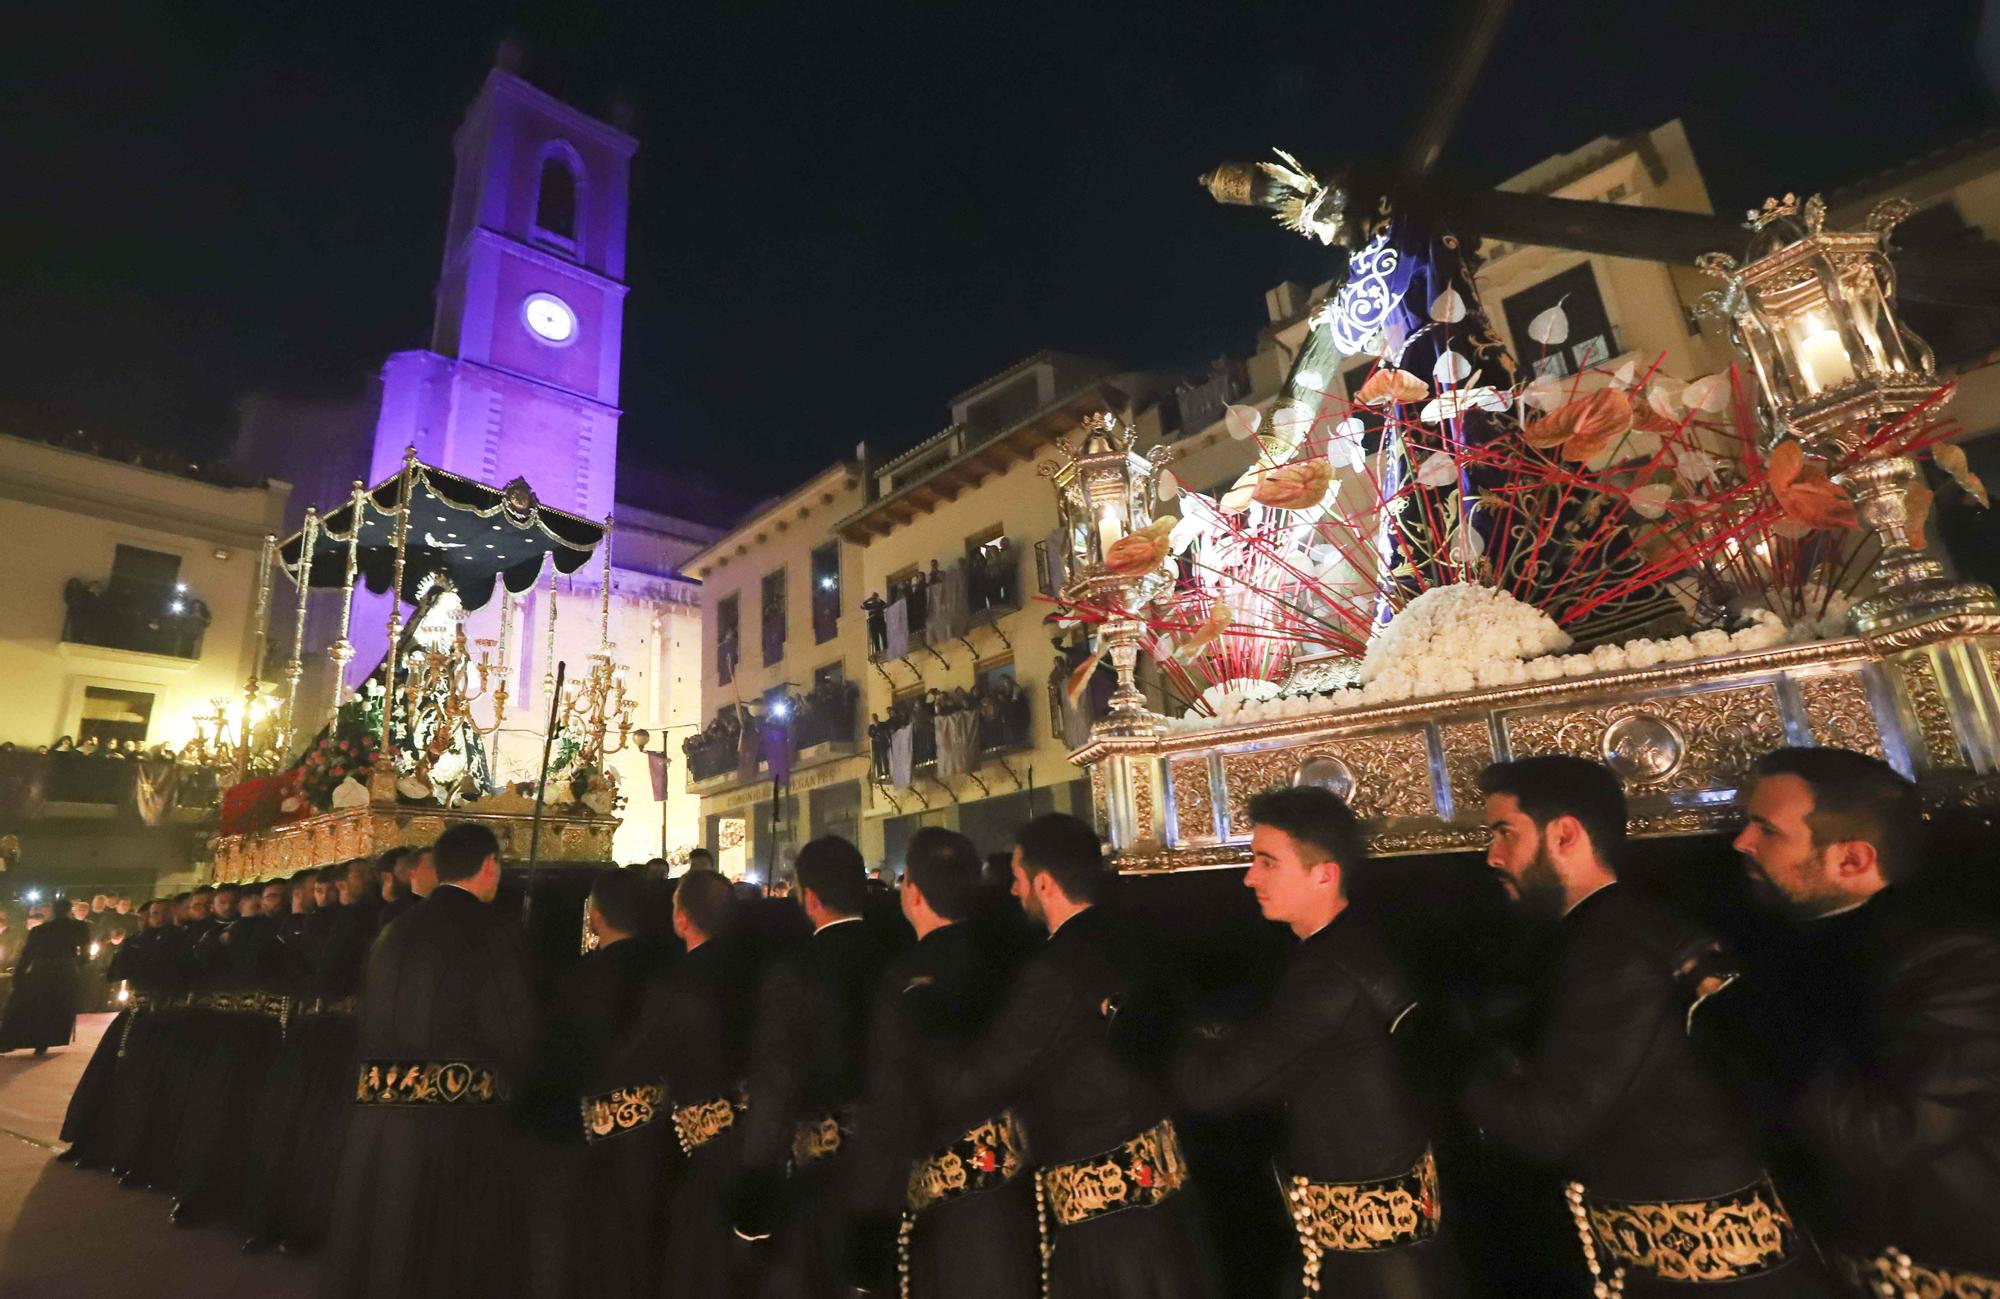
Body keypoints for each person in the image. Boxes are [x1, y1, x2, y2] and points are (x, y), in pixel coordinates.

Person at [1463, 756, 1822, 1297]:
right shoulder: (1615, 930)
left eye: (1505, 834)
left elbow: (1546, 1125)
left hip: (1703, 1273)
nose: (1492, 857)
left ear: (1564, 834)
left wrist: (1455, 1057)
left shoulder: (1614, 949)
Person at [1724, 747, 2000, 1293]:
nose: (1740, 844)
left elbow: (1883, 1134)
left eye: (1765, 830)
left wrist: (1740, 1006)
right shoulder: (1784, 944)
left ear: (1852, 860)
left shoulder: (1959, 961)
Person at [1172, 786, 1459, 1298]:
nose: (1249, 877)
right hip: (1365, 1247)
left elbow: (1212, 1087)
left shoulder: (1328, 976)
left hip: (1376, 1265)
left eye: (1267, 862)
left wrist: (1161, 1027)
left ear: (1324, 873)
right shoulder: (1341, 950)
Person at [929, 814, 1219, 1299]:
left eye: (1018, 879)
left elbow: (979, 1077)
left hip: (1108, 1224)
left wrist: (923, 1021)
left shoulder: (1054, 971)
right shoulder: (1136, 935)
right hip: (1170, 1201)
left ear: (1043, 883)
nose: (1013, 891)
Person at [319, 824, 537, 1299]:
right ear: (490, 865)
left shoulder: (393, 930)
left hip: (377, 1123)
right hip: (455, 1132)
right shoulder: (491, 931)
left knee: (386, 1252)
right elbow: (513, 1032)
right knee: (446, 1261)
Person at [848, 827, 1038, 1298]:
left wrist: (868, 1225)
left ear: (911, 892)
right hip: (1025, 1191)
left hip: (947, 1204)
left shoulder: (903, 981)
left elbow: (890, 1107)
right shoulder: (1013, 960)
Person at [732, 834, 909, 1297]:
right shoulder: (899, 955)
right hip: (901, 1169)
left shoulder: (792, 973)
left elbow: (775, 1087)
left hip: (826, 1179)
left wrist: (753, 1205)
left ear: (808, 898)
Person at [522, 870, 670, 1299]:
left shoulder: (580, 980)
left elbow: (557, 1063)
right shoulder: (672, 967)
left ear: (596, 917)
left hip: (593, 1144)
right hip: (664, 1136)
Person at [641, 869, 755, 1299]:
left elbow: (646, 1059)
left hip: (698, 1146)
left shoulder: (674, 983)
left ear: (682, 919)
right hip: (756, 1139)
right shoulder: (756, 972)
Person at [0, 891, 89, 1055]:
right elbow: (85, 955)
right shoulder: (80, 927)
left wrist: (19, 976)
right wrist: (74, 965)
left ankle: (9, 1040)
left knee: (29, 1005)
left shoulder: (39, 930)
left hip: (41, 971)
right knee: (55, 1007)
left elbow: (26, 954)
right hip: (65, 971)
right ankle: (45, 1041)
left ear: (53, 912)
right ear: (70, 911)